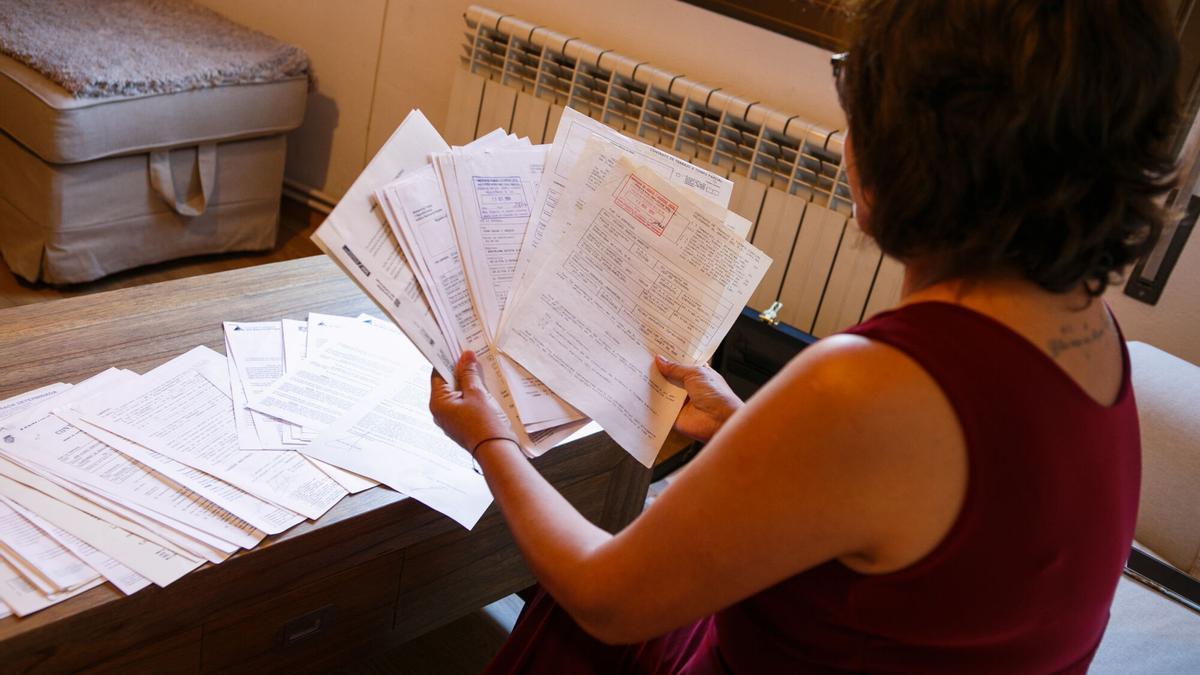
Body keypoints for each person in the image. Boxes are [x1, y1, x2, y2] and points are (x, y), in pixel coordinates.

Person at [428, 0, 1182, 671]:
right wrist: (746, 426)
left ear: (908, 148)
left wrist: (491, 440)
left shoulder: (870, 386)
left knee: (582, 613)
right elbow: (932, 527)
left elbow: (606, 595)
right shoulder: (1095, 338)